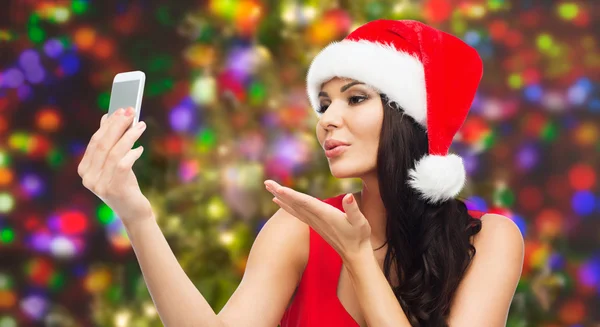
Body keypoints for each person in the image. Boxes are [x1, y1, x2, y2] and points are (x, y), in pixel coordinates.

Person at [78, 19, 524, 327]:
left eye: (354, 98)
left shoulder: (489, 241)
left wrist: (355, 257)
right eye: (324, 104)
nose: (327, 119)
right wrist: (137, 216)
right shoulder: (298, 229)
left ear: (409, 116)